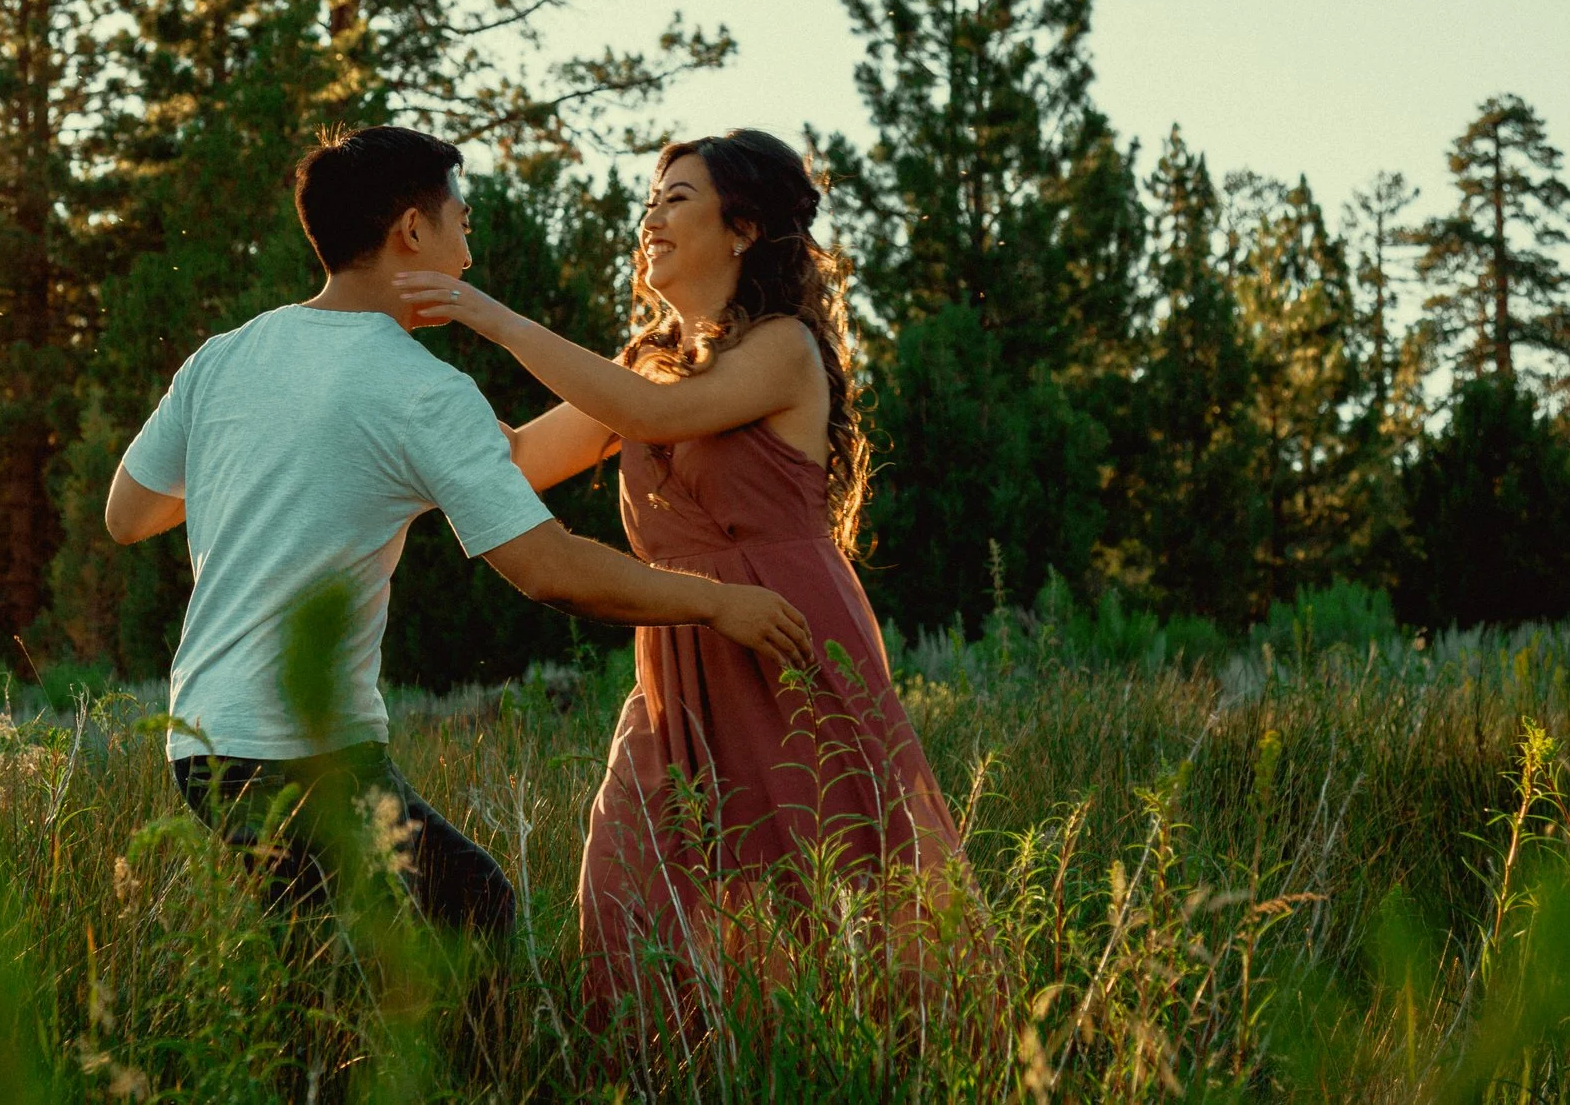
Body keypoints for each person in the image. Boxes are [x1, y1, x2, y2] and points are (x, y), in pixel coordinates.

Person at [104, 125, 811, 942]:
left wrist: (268, 462)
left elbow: (130, 514)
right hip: (300, 743)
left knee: (337, 950)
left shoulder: (223, 358)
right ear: (412, 229)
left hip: (202, 741)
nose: (470, 241)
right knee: (469, 916)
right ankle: (476, 1072)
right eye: (461, 217)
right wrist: (714, 604)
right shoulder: (421, 391)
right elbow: (550, 570)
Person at [396, 128, 963, 1012]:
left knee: (821, 892)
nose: (650, 217)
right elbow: (512, 458)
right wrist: (380, 399)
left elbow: (653, 418)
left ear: (741, 228)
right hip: (680, 650)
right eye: (652, 199)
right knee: (630, 884)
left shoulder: (783, 348)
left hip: (785, 640)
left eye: (677, 198)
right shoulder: (643, 364)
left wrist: (489, 314)